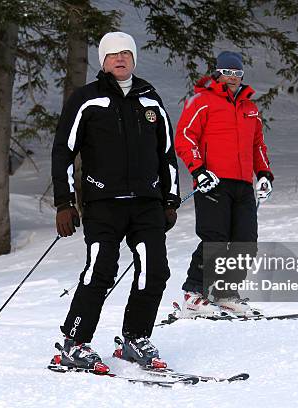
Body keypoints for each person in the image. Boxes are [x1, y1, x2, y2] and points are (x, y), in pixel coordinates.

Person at [50, 32, 180, 373]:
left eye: (126, 54)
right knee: (101, 270)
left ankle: (136, 338)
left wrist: (171, 198)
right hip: (102, 203)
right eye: (112, 55)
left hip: (146, 204)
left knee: (154, 272)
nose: (120, 59)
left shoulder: (150, 99)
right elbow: (64, 151)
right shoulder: (87, 100)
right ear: (103, 61)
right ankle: (74, 344)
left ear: (134, 60)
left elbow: (166, 152)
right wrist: (64, 203)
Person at [174, 51, 274, 318]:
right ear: (217, 72)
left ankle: (225, 293)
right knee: (214, 240)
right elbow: (184, 138)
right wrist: (199, 170)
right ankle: (194, 294)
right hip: (212, 182)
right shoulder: (202, 101)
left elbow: (257, 146)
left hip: (243, 184)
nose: (233, 78)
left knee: (245, 241)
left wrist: (263, 174)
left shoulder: (250, 108)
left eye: (238, 73)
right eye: (228, 72)